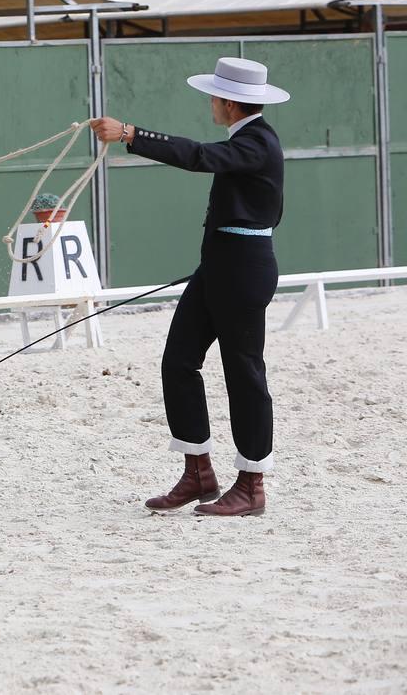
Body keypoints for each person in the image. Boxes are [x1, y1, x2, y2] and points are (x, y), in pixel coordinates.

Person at [89, 57, 288, 517]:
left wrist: (131, 134)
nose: (211, 105)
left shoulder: (258, 143)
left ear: (229, 101)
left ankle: (252, 484)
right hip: (219, 264)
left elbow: (200, 156)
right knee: (178, 361)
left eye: (214, 98)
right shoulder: (250, 139)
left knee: (244, 374)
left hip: (242, 268)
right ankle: (198, 471)